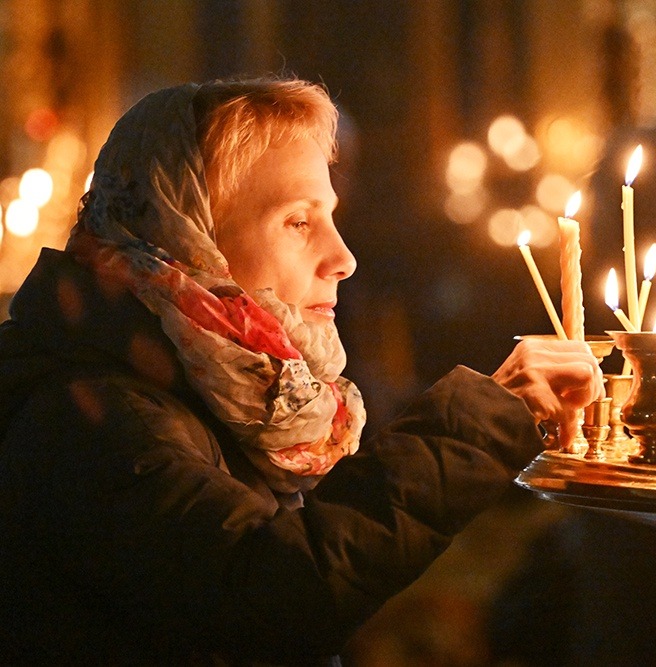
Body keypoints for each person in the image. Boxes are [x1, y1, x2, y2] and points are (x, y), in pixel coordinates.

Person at [0, 78, 602, 664]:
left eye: (332, 216)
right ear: (188, 238)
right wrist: (480, 420)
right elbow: (270, 592)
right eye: (297, 221)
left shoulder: (222, 394)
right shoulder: (88, 419)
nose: (343, 258)